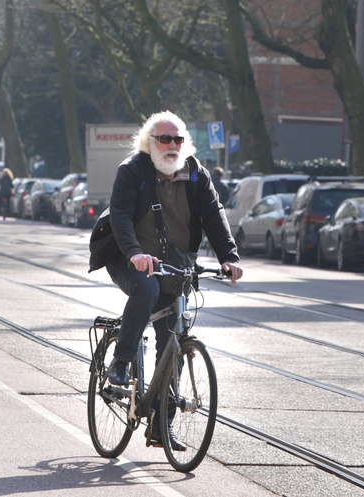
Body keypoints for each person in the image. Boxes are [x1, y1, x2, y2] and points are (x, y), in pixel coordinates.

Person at [101, 111, 243, 447]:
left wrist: (229, 257)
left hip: (176, 265)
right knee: (145, 287)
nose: (171, 145)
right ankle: (121, 362)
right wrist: (135, 252)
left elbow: (214, 213)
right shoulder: (133, 170)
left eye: (178, 139)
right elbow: (119, 214)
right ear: (149, 142)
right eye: (164, 139)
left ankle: (161, 425)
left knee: (173, 341)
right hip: (128, 257)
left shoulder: (196, 174)